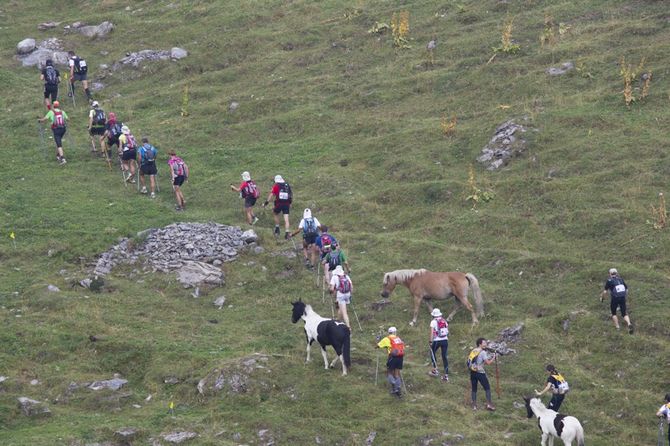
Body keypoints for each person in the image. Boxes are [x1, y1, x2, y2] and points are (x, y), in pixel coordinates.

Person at [600, 268, 634, 334]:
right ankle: (629, 323)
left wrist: (602, 298)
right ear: (617, 273)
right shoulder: (621, 279)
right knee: (624, 313)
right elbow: (626, 290)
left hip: (615, 299)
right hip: (622, 298)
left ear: (610, 274)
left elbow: (605, 292)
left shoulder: (609, 281)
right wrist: (623, 296)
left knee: (614, 313)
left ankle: (617, 327)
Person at [467, 337, 496, 411]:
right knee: (487, 388)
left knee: (474, 388)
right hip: (480, 372)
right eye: (484, 343)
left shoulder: (473, 350)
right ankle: (489, 404)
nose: (486, 344)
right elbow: (488, 363)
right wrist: (493, 358)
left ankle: (474, 405)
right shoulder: (483, 352)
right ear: (480, 344)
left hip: (472, 372)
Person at [377, 326, 405, 398]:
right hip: (400, 357)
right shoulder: (398, 338)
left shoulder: (387, 338)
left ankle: (394, 387)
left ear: (389, 332)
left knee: (389, 372)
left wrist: (378, 341)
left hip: (392, 357)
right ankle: (398, 390)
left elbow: (377, 346)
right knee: (396, 374)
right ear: (395, 332)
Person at [38, 100, 68, 165]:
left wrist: (39, 120)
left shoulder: (51, 112)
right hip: (63, 129)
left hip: (56, 129)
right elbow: (67, 119)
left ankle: (62, 158)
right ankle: (58, 155)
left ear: (53, 106)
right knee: (59, 141)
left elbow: (44, 119)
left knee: (59, 144)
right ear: (58, 106)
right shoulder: (62, 112)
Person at [263, 175, 292, 239]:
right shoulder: (287, 185)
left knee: (275, 213)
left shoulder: (276, 186)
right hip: (286, 204)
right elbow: (290, 195)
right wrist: (290, 203)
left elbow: (271, 195)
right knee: (286, 219)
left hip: (279, 204)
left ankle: (277, 228)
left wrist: (266, 202)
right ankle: (287, 233)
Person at [428, 308, 449, 382]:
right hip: (445, 340)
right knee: (444, 356)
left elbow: (431, 332)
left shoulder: (433, 322)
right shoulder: (444, 320)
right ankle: (446, 375)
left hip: (437, 340)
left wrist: (430, 341)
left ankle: (435, 370)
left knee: (432, 353)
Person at [329, 265, 352, 329]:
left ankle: (348, 327)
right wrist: (350, 294)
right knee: (341, 307)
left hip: (341, 295)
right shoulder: (346, 276)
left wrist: (331, 292)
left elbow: (332, 288)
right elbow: (351, 286)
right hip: (347, 294)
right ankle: (338, 320)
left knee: (344, 312)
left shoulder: (334, 277)